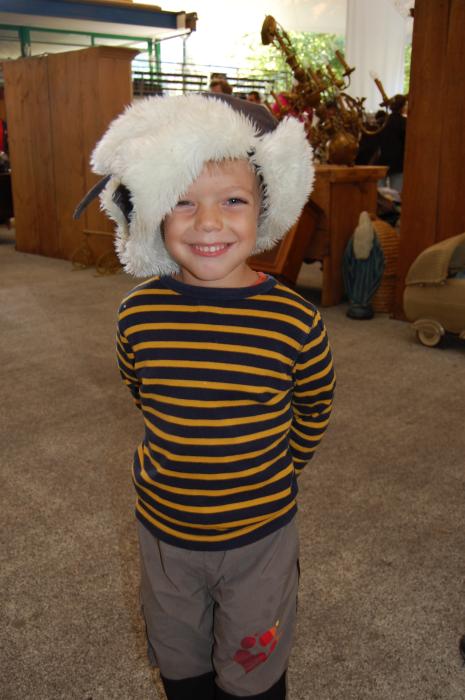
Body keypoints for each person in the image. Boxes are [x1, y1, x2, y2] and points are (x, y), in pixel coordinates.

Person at [75, 93, 335, 700]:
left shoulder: (295, 321)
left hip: (260, 534)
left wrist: (279, 466)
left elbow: (314, 407)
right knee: (179, 661)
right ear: (152, 210)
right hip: (165, 530)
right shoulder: (137, 314)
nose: (209, 222)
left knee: (253, 672)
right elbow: (144, 391)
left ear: (265, 206)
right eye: (182, 201)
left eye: (233, 200)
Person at [377, 93, 407, 192]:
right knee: (397, 194)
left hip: (383, 160)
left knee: (380, 193)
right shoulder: (405, 123)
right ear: (402, 107)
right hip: (398, 163)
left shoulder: (383, 121)